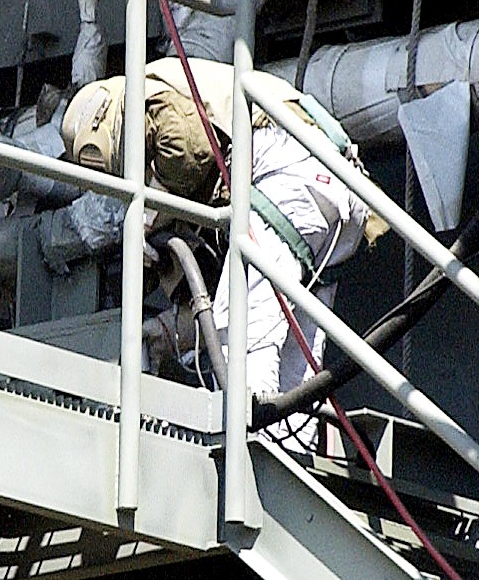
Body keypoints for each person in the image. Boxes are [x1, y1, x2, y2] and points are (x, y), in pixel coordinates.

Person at [59, 56, 377, 410]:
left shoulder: (145, 97)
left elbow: (188, 147)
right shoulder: (169, 92)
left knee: (242, 327)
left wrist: (152, 215)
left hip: (284, 170)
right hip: (334, 181)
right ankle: (292, 435)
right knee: (296, 349)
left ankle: (248, 432)